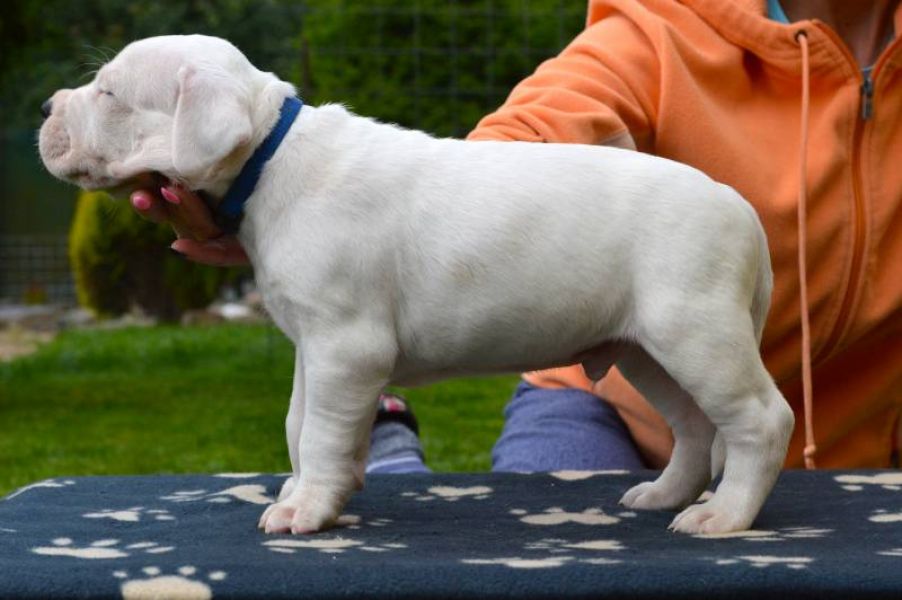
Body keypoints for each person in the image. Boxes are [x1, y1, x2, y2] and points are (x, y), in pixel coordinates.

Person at [132, 0, 901, 473]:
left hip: (866, 434)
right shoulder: (662, 28)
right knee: (525, 559)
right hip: (598, 402)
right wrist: (319, 214)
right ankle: (390, 457)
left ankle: (388, 451)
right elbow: (521, 141)